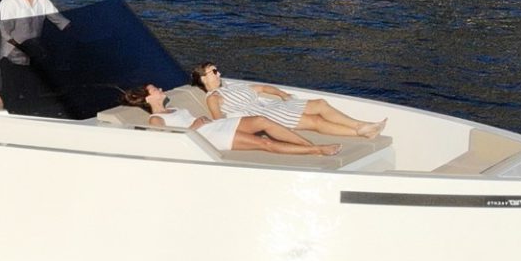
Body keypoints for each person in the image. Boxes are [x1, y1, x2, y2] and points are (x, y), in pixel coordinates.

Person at [123, 84, 338, 156]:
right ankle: (316, 150)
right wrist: (193, 127)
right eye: (155, 89)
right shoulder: (156, 119)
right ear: (148, 98)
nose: (160, 89)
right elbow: (164, 143)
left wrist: (199, 121)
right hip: (209, 136)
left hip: (214, 126)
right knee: (264, 143)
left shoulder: (173, 108)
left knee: (262, 120)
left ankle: (308, 144)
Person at [191, 62, 385, 138]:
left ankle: (361, 125)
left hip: (272, 105)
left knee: (320, 104)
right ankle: (359, 132)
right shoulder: (214, 97)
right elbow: (219, 120)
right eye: (214, 71)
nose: (219, 73)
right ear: (204, 79)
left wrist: (282, 94)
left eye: (217, 70)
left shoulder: (231, 86)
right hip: (265, 114)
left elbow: (262, 88)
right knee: (315, 122)